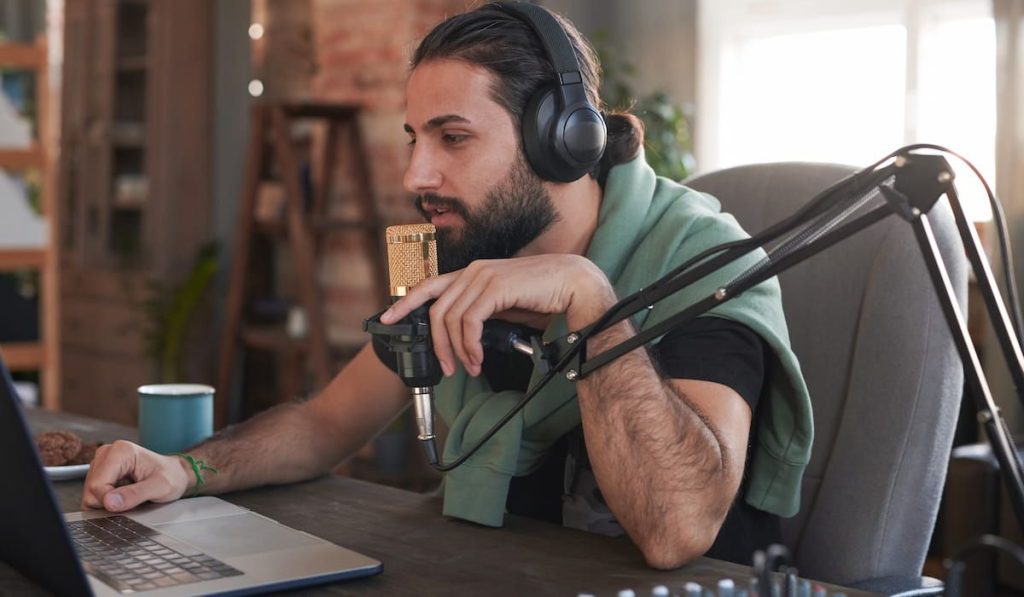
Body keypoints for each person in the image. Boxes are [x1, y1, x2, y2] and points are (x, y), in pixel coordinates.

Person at [82, 2, 812, 569]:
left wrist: (588, 296)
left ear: (560, 137)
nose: (415, 176)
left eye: (453, 138)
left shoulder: (706, 261)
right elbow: (324, 424)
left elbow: (677, 528)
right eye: (414, 139)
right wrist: (186, 470)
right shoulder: (461, 252)